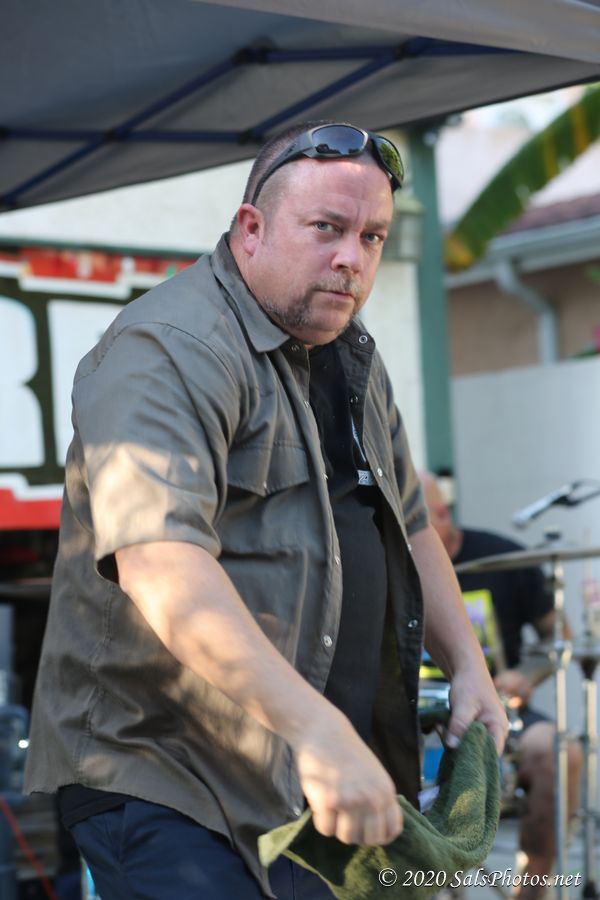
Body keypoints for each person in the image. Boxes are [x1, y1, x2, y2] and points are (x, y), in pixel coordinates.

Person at [24, 121, 507, 900]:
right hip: (171, 779)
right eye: (326, 229)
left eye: (372, 237)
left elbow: (410, 526)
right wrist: (317, 728)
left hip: (307, 777)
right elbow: (161, 564)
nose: (351, 258)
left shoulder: (352, 350)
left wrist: (470, 668)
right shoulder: (166, 347)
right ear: (251, 228)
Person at [420, 471, 583, 899]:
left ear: (441, 513)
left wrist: (524, 676)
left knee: (558, 753)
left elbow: (556, 635)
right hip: (411, 713)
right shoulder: (385, 558)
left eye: (417, 519)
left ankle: (532, 889)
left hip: (496, 706)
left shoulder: (500, 556)